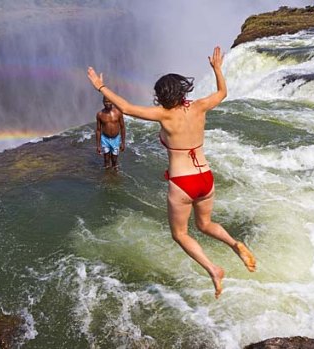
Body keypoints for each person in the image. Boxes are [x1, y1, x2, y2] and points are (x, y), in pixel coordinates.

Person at [87, 46, 256, 299]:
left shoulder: (163, 115)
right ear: (181, 90)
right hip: (206, 178)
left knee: (180, 234)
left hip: (182, 182)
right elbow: (222, 92)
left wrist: (100, 86)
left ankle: (213, 269)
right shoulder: (199, 107)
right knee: (205, 224)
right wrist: (218, 69)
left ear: (161, 97)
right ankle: (235, 244)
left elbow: (127, 108)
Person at [96, 96, 125, 170]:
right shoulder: (100, 114)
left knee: (114, 160)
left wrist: (123, 142)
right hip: (105, 139)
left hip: (115, 139)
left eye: (109, 101)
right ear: (103, 102)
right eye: (106, 101)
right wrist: (98, 145)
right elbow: (98, 130)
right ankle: (107, 176)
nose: (107, 103)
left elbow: (122, 127)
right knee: (106, 160)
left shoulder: (118, 112)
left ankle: (115, 175)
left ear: (112, 101)